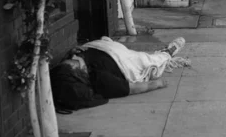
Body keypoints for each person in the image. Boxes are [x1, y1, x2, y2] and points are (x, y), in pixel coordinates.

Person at [50, 36, 188, 112]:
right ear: (80, 75)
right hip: (123, 62)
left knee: (139, 57)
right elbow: (131, 88)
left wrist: (76, 54)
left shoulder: (66, 67)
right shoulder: (101, 79)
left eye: (71, 61)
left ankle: (163, 55)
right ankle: (167, 53)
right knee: (147, 61)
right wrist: (156, 84)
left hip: (102, 48)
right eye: (73, 64)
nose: (72, 60)